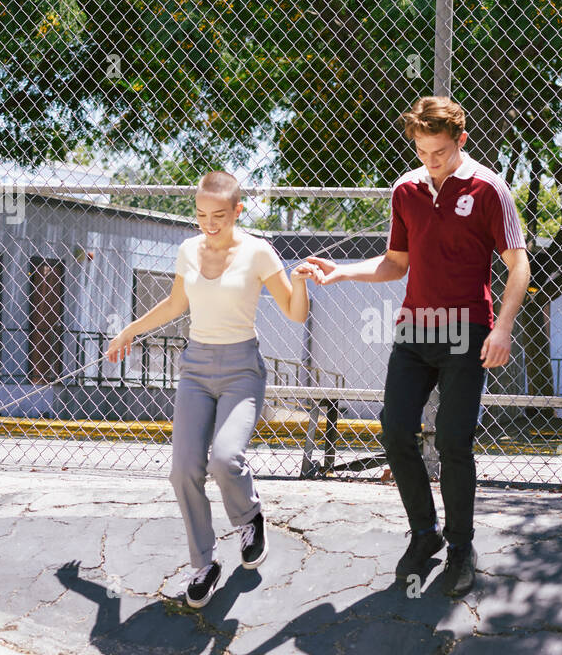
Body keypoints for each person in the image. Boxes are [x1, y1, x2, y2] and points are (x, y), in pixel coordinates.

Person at [308, 96, 530, 596]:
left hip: (468, 329)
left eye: (442, 152)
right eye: (424, 151)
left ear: (461, 141)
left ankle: (460, 546)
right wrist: (342, 271)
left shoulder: (490, 188)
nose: (432, 161)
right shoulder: (405, 189)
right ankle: (425, 534)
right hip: (415, 329)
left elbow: (519, 266)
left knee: (453, 441)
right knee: (395, 430)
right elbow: (394, 264)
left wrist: (503, 328)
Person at [107, 171, 320, 608]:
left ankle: (249, 518)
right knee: (183, 468)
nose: (209, 223)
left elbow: (296, 314)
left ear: (238, 211)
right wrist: (130, 330)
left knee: (225, 459)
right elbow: (174, 304)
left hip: (243, 369)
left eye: (219, 215)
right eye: (202, 214)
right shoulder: (188, 250)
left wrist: (299, 282)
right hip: (196, 368)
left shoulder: (259, 252)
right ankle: (204, 564)